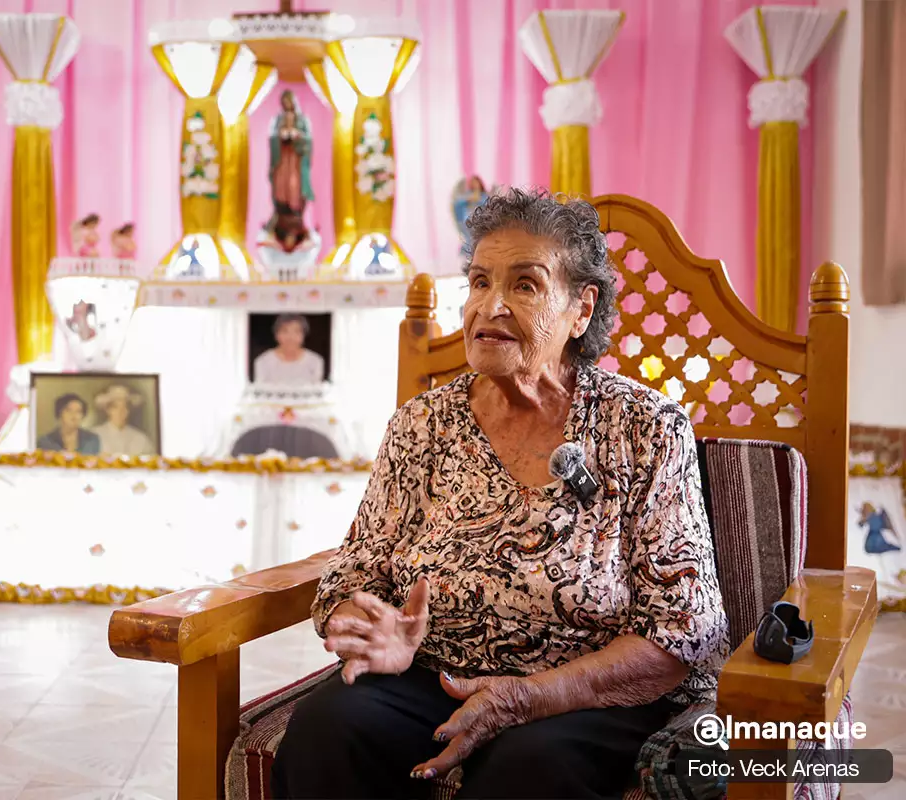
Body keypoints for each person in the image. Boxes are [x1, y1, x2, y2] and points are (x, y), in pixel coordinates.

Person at [271, 188, 729, 799]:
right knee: (326, 730)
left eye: (525, 285)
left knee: (528, 772)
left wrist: (528, 696)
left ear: (581, 310)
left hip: (586, 694)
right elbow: (356, 568)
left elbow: (685, 629)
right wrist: (364, 621)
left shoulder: (644, 428)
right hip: (433, 674)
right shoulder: (422, 425)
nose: (490, 305)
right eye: (479, 281)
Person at [268, 90, 314, 224]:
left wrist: (297, 135)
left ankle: (296, 210)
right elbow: (273, 136)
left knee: (295, 185)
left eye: (289, 102)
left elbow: (308, 139)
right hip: (282, 158)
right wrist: (281, 135)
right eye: (284, 102)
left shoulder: (302, 119)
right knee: (281, 185)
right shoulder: (278, 119)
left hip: (296, 160)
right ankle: (281, 209)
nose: (287, 105)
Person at [253, 314, 325, 386]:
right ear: (276, 335)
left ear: (304, 335)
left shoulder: (315, 361)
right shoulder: (263, 361)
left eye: (297, 332)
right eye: (285, 331)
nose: (291, 337)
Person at [90, 385, 157, 456]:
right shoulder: (94, 435)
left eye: (124, 407)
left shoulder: (141, 438)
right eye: (115, 407)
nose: (120, 412)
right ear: (107, 410)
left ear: (129, 410)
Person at [36, 393, 101, 455]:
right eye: (69, 410)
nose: (74, 416)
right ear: (60, 413)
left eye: (78, 411)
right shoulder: (45, 441)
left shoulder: (92, 440)